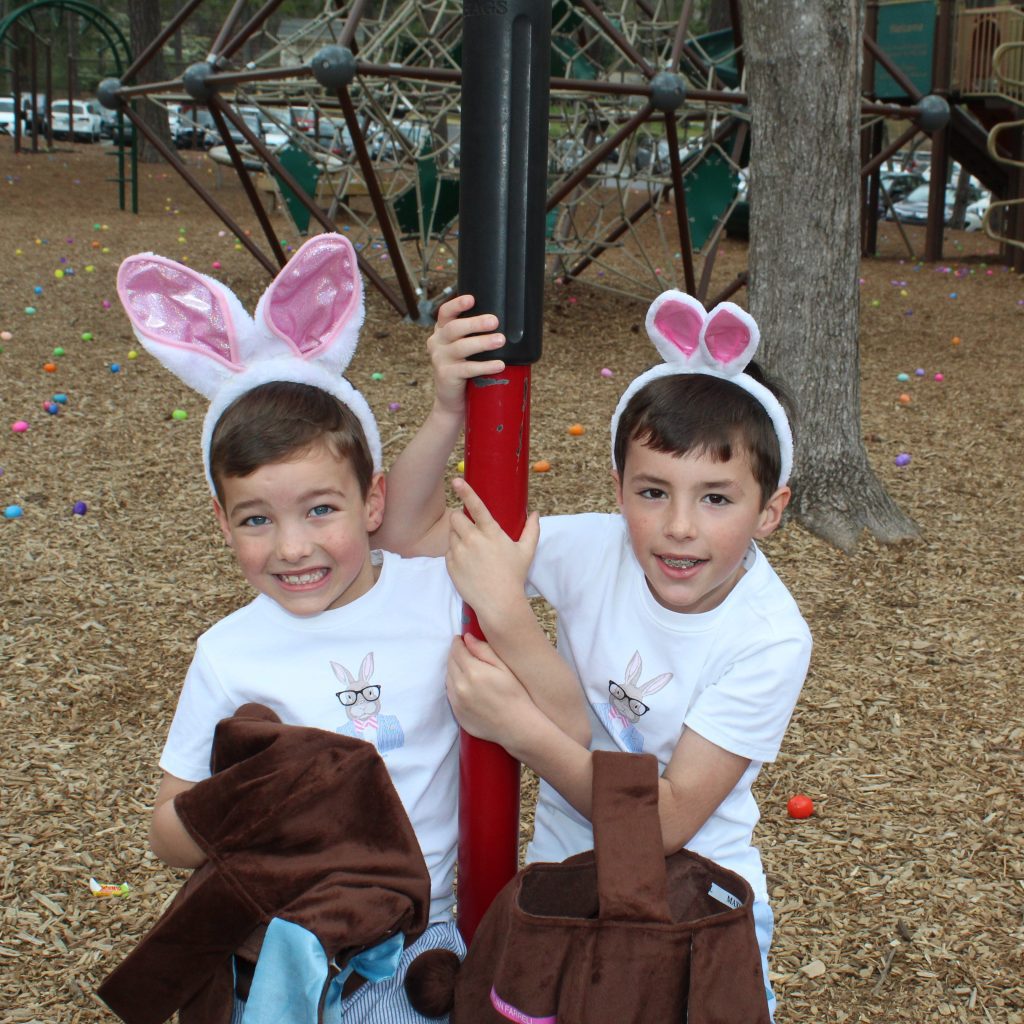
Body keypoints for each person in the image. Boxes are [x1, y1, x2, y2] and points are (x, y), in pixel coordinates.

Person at [115, 234, 505, 1024]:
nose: (292, 548)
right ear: (222, 522)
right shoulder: (228, 654)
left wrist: (446, 408)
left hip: (416, 934)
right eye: (257, 519)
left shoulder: (434, 595)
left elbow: (429, 518)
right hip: (281, 940)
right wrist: (270, 802)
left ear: (371, 501)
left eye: (321, 509)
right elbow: (167, 833)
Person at [390, 289, 812, 1019]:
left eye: (716, 498)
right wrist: (446, 411)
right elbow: (405, 535)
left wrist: (520, 727)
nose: (679, 526)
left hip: (693, 906)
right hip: (563, 890)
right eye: (653, 491)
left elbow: (666, 823)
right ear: (618, 489)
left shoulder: (768, 636)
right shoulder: (595, 548)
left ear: (769, 510)